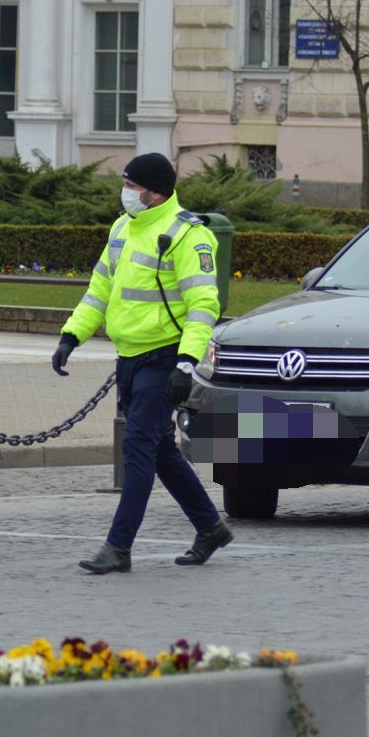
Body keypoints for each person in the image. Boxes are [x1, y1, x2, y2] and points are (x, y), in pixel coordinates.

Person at [53, 152, 233, 575]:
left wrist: (186, 363)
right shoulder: (122, 228)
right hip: (129, 358)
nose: (126, 192)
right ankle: (210, 527)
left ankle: (118, 547)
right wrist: (71, 335)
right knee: (160, 450)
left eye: (132, 186)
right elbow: (100, 289)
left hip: (166, 357)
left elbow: (204, 306)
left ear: (155, 192)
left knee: (137, 448)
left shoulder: (189, 236)